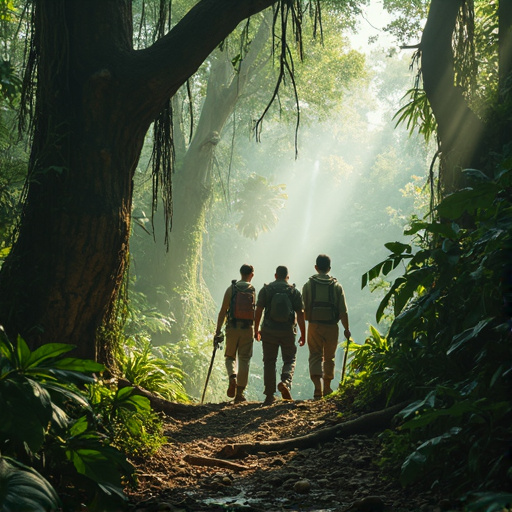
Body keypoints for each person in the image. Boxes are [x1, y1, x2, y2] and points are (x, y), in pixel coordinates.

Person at [254, 265, 306, 405]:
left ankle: (269, 395)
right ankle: (285, 382)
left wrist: (256, 329)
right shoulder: (293, 291)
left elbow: (258, 310)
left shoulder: (266, 289)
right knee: (289, 359)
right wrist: (303, 334)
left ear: (275, 275)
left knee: (269, 361)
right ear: (287, 277)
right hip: (287, 331)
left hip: (269, 331)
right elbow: (300, 314)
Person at [302, 254, 351, 399]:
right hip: (331, 326)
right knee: (329, 357)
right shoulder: (336, 286)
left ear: (316, 267)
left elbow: (302, 307)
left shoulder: (308, 285)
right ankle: (327, 388)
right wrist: (346, 328)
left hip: (314, 326)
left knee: (315, 355)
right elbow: (343, 311)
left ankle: (317, 388)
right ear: (329, 268)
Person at [215, 264, 256, 403]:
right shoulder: (252, 290)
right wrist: (256, 330)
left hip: (232, 328)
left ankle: (232, 376)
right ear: (252, 274)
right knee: (244, 359)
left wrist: (218, 331)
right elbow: (256, 312)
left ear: (240, 273)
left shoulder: (231, 288)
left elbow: (223, 311)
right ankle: (239, 393)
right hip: (247, 329)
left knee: (230, 357)